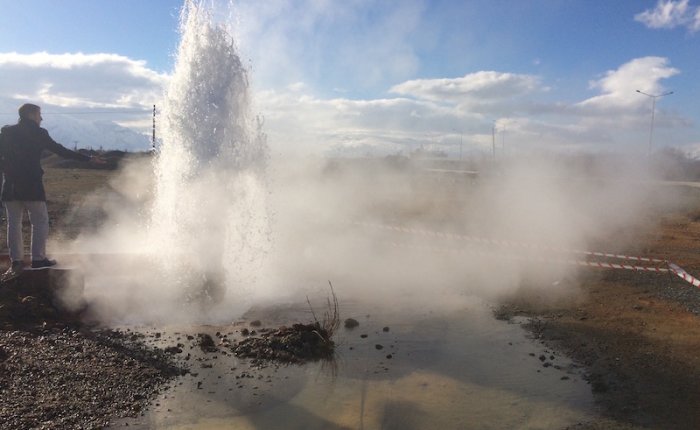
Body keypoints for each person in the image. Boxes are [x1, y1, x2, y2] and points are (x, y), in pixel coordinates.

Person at [0, 103, 103, 278]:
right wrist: (88, 159)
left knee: (13, 224)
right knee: (40, 222)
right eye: (39, 114)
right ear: (31, 115)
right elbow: (60, 151)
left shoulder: (6, 132)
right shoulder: (39, 133)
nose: (42, 118)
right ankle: (38, 259)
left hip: (10, 186)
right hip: (32, 185)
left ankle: (16, 262)